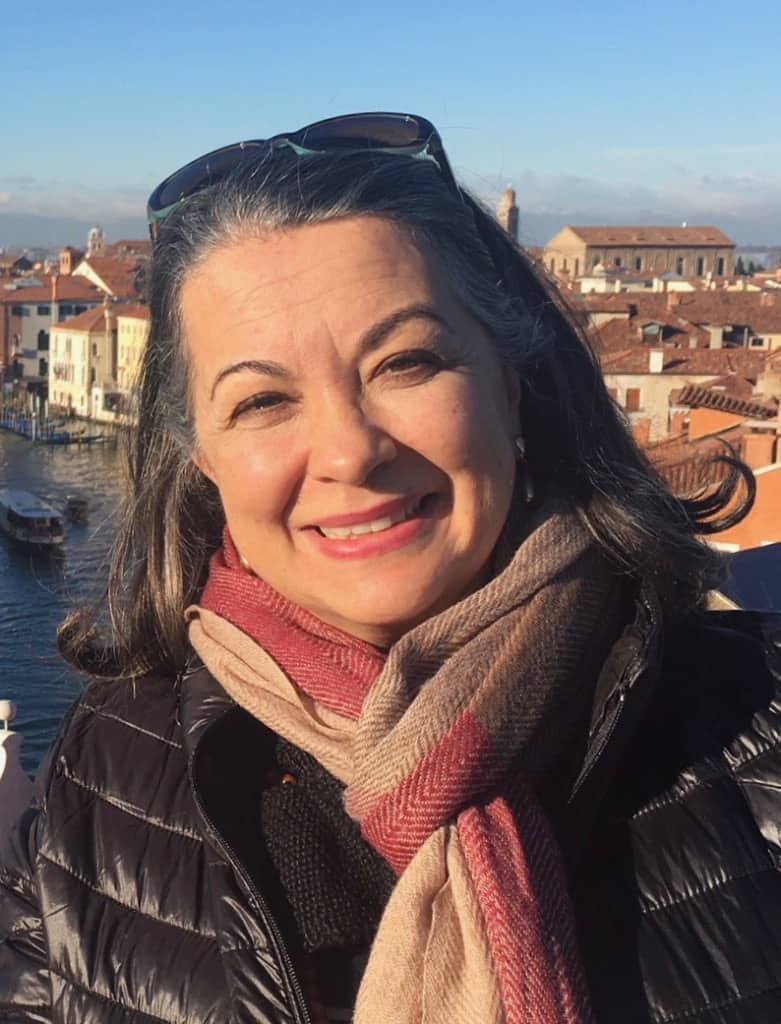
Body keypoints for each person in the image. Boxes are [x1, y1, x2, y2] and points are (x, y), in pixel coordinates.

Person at [0, 113, 779, 1024]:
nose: (349, 452)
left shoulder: (758, 726)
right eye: (261, 400)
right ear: (202, 457)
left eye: (405, 362)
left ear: (507, 386)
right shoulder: (102, 771)